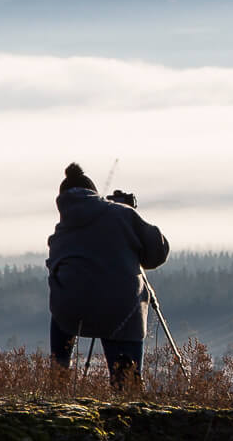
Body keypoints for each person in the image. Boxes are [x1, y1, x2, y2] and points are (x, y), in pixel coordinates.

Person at [47, 162, 170, 385]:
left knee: (62, 312)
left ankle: (58, 378)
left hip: (71, 311)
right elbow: (157, 252)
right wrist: (128, 216)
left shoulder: (61, 231)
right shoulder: (121, 214)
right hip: (121, 309)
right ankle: (126, 385)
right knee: (122, 332)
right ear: (94, 194)